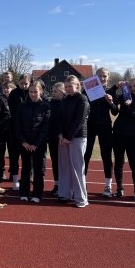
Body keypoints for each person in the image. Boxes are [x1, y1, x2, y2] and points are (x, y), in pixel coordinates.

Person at [111, 77, 135, 200]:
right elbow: (114, 111)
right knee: (119, 162)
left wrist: (131, 106)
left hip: (133, 136)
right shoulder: (125, 94)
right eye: (131, 86)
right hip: (118, 134)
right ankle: (119, 189)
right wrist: (112, 97)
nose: (132, 88)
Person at [84, 67, 117, 197]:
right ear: (95, 77)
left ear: (108, 77)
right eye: (100, 76)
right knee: (86, 154)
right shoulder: (87, 89)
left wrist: (111, 102)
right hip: (90, 126)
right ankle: (82, 182)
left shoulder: (111, 91)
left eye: (105, 76)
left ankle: (108, 185)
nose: (102, 78)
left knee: (106, 155)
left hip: (105, 126)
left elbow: (115, 112)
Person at [57, 75, 90, 207]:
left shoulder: (82, 99)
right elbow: (59, 118)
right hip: (63, 138)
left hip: (77, 137)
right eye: (66, 86)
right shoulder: (64, 99)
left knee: (77, 168)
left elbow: (80, 120)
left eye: (70, 86)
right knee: (64, 167)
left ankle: (81, 199)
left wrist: (68, 137)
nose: (68, 89)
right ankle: (65, 194)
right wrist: (60, 134)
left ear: (77, 85)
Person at [16, 83, 51, 203]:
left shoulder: (46, 106)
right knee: (25, 168)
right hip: (25, 144)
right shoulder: (22, 106)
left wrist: (36, 144)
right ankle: (24, 193)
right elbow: (18, 126)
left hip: (39, 144)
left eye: (35, 92)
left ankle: (37, 194)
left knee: (38, 169)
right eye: (31, 92)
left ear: (41, 91)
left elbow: (45, 128)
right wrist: (24, 142)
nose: (33, 94)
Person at [7, 74, 32, 190]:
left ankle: (26, 178)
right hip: (14, 130)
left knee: (27, 157)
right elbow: (12, 111)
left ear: (30, 83)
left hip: (28, 131)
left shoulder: (32, 93)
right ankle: (15, 180)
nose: (24, 86)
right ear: (18, 82)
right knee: (14, 157)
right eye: (22, 83)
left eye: (26, 84)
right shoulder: (13, 93)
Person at [47, 82, 66, 196]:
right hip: (52, 137)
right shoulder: (49, 103)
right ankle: (57, 184)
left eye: (55, 91)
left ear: (63, 92)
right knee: (55, 161)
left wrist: (62, 134)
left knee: (65, 162)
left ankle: (66, 185)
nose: (53, 93)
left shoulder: (66, 103)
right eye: (52, 91)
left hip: (64, 137)